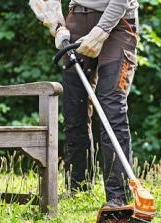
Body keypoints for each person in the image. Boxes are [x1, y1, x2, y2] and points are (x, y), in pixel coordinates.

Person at [30, 0, 139, 209]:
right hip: (77, 22)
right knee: (74, 111)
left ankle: (118, 196)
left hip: (118, 24)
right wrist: (56, 24)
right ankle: (77, 189)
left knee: (111, 107)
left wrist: (100, 33)